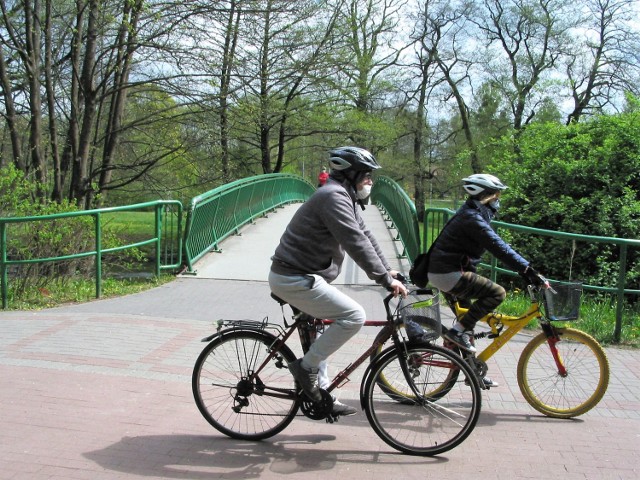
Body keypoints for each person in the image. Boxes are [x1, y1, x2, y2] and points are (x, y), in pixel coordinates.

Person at [269, 146, 408, 417]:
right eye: (366, 175)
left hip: (302, 275)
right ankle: (304, 369)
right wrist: (382, 279)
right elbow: (353, 241)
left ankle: (319, 396)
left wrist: (387, 269)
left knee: (318, 334)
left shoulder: (344, 196)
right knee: (354, 316)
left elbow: (364, 234)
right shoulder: (332, 197)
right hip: (294, 278)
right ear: (351, 173)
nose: (370, 181)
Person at [427, 174, 547, 386]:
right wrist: (527, 269)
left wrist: (524, 269)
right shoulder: (472, 219)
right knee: (497, 293)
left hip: (445, 272)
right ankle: (456, 333)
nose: (497, 201)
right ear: (483, 196)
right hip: (448, 274)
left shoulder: (472, 214)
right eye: (495, 196)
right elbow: (498, 246)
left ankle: (472, 373)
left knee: (467, 326)